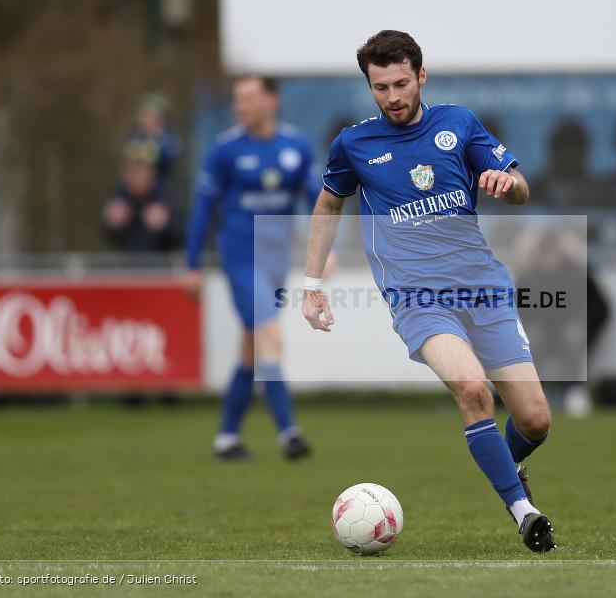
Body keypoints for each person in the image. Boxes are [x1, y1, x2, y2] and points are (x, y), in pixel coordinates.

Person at [301, 30, 556, 552]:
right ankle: (523, 510)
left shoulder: (458, 124)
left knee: (534, 419)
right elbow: (328, 206)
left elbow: (521, 185)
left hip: (483, 289)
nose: (392, 97)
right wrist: (311, 284)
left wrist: (509, 186)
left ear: (421, 75)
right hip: (418, 298)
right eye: (379, 88)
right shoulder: (354, 144)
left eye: (400, 83)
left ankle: (506, 467)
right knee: (472, 390)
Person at [184, 76, 320, 461]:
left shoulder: (295, 146)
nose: (240, 106)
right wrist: (191, 263)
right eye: (236, 99)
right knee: (271, 337)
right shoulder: (225, 150)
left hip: (275, 261)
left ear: (272, 100)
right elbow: (203, 209)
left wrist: (324, 250)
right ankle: (289, 433)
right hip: (241, 259)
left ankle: (227, 437)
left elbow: (318, 202)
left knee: (251, 348)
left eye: (248, 98)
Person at [102, 154, 182, 253]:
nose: (137, 178)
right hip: (127, 263)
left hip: (161, 264)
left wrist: (164, 227)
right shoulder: (120, 197)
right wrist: (112, 225)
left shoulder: (166, 198)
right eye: (133, 172)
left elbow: (179, 237)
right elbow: (109, 237)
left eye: (141, 172)